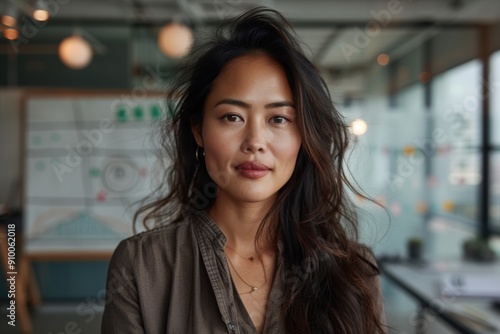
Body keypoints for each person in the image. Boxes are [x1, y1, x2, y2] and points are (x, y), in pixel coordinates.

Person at [101, 7, 386, 334]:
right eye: (232, 117)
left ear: (304, 136)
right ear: (198, 129)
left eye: (278, 119)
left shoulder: (353, 271)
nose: (255, 142)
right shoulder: (143, 267)